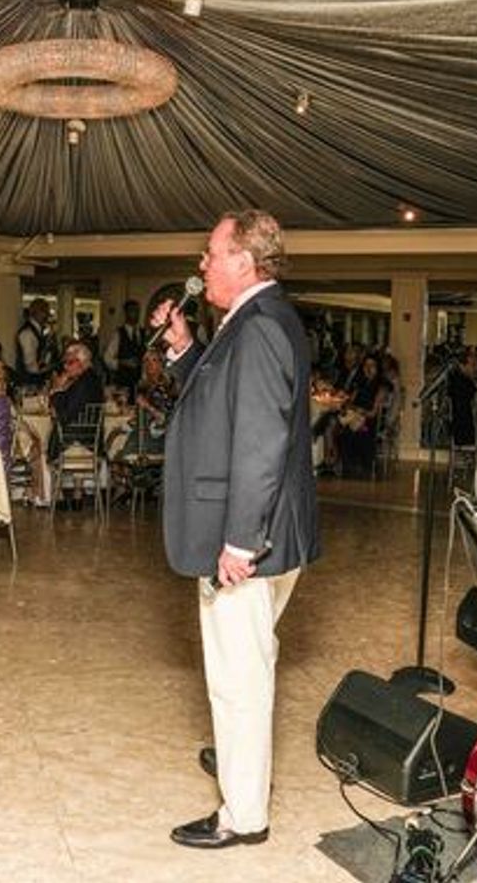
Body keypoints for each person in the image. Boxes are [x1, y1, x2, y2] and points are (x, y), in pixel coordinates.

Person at [151, 210, 319, 850]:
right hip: (258, 530)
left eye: (210, 253)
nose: (202, 264)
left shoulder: (261, 328)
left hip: (250, 537)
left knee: (239, 676)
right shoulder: (250, 321)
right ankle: (240, 763)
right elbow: (219, 399)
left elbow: (259, 442)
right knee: (242, 664)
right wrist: (182, 347)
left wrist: (241, 541)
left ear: (243, 261)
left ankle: (243, 814)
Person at [48, 341, 105, 428]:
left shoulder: (85, 383)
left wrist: (58, 388)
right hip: (81, 431)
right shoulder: (88, 377)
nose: (65, 366)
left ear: (82, 362)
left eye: (70, 362)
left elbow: (63, 416)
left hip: (75, 435)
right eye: (64, 362)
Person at [103, 300, 146, 395]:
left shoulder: (143, 333)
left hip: (140, 383)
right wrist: (124, 362)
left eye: (137, 311)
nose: (135, 314)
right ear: (126, 313)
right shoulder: (119, 334)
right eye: (132, 311)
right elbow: (107, 358)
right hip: (123, 382)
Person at [15, 298, 58, 391]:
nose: (47, 317)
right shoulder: (28, 332)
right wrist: (48, 368)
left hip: (35, 379)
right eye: (45, 313)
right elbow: (30, 365)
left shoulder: (39, 332)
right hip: (30, 381)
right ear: (37, 313)